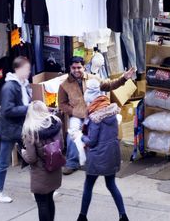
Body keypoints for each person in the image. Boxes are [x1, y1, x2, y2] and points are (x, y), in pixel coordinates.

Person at [58, 56, 135, 175]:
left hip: (94, 113)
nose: (76, 70)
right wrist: (73, 111)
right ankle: (72, 163)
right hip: (77, 115)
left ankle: (99, 161)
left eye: (79, 67)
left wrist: (124, 78)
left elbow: (109, 85)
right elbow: (62, 104)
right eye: (73, 68)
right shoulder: (64, 85)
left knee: (100, 135)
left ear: (84, 67)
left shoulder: (93, 79)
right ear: (70, 68)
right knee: (72, 134)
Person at [77, 79, 129, 221]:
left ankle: (82, 216)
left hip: (98, 156)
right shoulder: (112, 111)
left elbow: (92, 141)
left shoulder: (95, 117)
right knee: (111, 184)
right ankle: (123, 215)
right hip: (111, 154)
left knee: (88, 185)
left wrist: (81, 138)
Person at [0, 56, 31, 203]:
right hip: (9, 130)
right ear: (17, 69)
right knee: (3, 162)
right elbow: (7, 110)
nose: (28, 72)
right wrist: (28, 108)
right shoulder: (9, 87)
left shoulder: (23, 85)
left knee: (31, 158)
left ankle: (39, 189)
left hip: (20, 128)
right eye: (26, 69)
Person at [21, 101, 63, 221]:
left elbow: (31, 158)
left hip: (40, 174)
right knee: (49, 199)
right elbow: (62, 146)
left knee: (42, 203)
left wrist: (23, 152)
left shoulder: (30, 131)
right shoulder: (56, 125)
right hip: (54, 170)